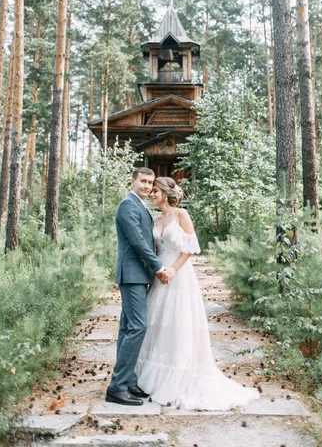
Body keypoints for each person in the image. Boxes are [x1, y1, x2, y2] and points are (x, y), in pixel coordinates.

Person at [135, 177, 259, 411]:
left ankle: (179, 377)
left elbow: (190, 248)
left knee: (178, 323)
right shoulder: (155, 218)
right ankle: (152, 377)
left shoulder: (181, 214)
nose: (152, 194)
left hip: (179, 274)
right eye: (151, 191)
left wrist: (173, 269)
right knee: (157, 323)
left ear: (165, 192)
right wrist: (158, 269)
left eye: (155, 191)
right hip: (159, 274)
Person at [106, 168, 169, 406]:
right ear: (133, 181)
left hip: (140, 275)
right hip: (132, 275)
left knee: (127, 328)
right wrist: (158, 267)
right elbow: (138, 243)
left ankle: (129, 381)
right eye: (143, 181)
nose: (146, 185)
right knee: (138, 327)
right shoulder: (127, 205)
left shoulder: (141, 205)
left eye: (150, 182)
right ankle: (117, 386)